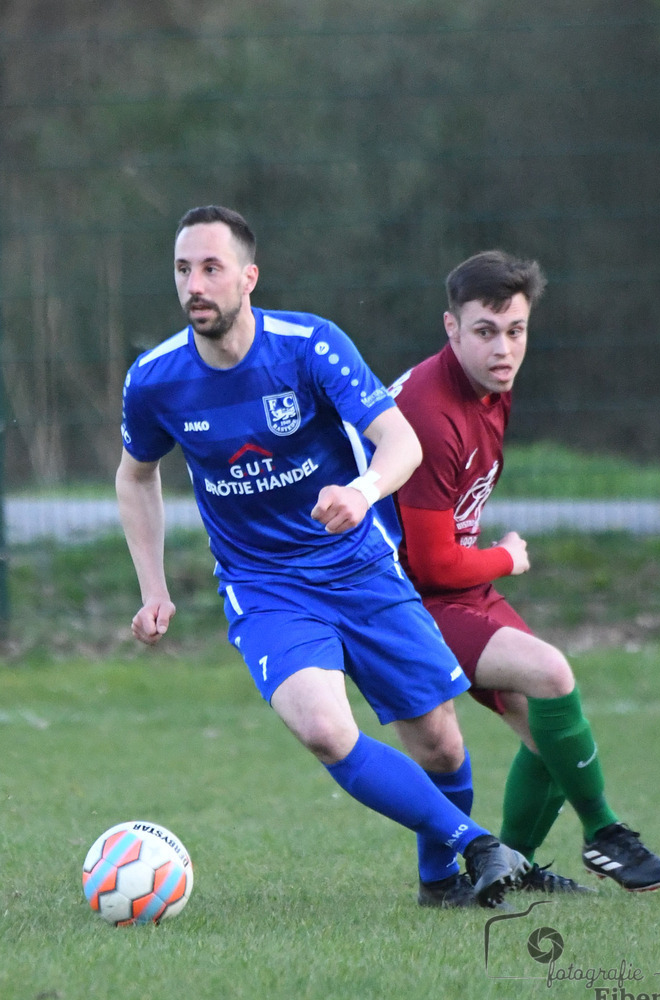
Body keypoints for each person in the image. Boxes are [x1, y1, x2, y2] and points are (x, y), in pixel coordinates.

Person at [115, 206, 531, 910]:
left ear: (249, 276)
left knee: (440, 746)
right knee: (322, 727)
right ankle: (480, 845)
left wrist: (362, 490)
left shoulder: (309, 346)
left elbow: (400, 443)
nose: (195, 284)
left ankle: (439, 883)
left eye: (211, 268)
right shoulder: (156, 379)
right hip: (265, 584)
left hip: (358, 567)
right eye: (184, 269)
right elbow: (135, 475)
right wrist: (153, 588)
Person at [390, 249, 660, 901]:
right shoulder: (430, 412)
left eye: (514, 330)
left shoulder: (491, 386)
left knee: (547, 728)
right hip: (403, 597)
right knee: (550, 675)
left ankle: (512, 863)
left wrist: (481, 560)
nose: (502, 347)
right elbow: (429, 564)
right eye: (485, 331)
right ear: (450, 328)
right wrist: (506, 558)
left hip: (454, 586)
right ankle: (604, 831)